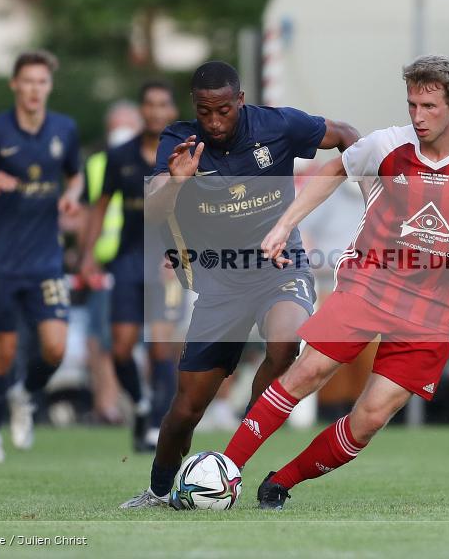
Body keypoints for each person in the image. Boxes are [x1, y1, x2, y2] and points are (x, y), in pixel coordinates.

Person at [216, 54, 449, 509]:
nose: (418, 117)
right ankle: (223, 471)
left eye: (430, 107)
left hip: (433, 312)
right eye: (412, 105)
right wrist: (285, 224)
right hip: (369, 284)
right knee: (308, 371)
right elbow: (335, 170)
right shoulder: (385, 146)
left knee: (370, 418)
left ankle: (281, 481)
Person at [120, 60, 359, 508]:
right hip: (221, 283)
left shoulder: (279, 125)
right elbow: (151, 213)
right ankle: (156, 490)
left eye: (223, 111)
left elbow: (345, 134)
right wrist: (175, 182)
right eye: (205, 111)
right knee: (185, 410)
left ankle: (233, 457)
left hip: (280, 268)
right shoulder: (179, 141)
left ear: (240, 101)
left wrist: (375, 190)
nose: (214, 121)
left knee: (287, 343)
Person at [0, 50, 83, 463]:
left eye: (41, 82)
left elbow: (75, 173)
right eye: (27, 81)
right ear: (15, 84)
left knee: (55, 348)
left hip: (46, 258)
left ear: (49, 86)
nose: (34, 89)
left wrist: (71, 196)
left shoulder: (65, 127)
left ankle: (25, 396)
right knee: (3, 353)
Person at [80, 82, 182, 451]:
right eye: (149, 104)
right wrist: (87, 254)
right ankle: (139, 405)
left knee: (160, 348)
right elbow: (100, 206)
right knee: (121, 349)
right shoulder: (120, 155)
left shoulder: (185, 153)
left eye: (162, 104)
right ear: (142, 110)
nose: (156, 111)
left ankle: (158, 422)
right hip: (127, 261)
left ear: (171, 111)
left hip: (168, 261)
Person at [82, 100, 142, 425]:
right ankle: (107, 406)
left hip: (148, 262)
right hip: (108, 266)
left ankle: (145, 404)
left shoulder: (153, 159)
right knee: (104, 341)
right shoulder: (97, 165)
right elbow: (89, 211)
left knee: (157, 343)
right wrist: (86, 255)